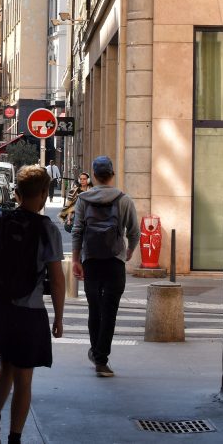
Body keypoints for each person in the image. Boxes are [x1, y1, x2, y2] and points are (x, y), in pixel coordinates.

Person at [0, 165, 65, 444]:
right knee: (24, 377)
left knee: (5, 365)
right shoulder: (47, 230)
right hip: (29, 312)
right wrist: (58, 317)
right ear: (44, 193)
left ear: (17, 193)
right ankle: (14, 438)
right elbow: (57, 281)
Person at [71, 156, 139, 378]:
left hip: (91, 261)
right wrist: (128, 251)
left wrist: (75, 259)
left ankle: (96, 352)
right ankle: (101, 359)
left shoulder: (83, 199)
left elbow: (77, 230)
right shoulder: (124, 199)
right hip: (115, 261)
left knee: (95, 309)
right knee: (110, 312)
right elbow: (134, 231)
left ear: (93, 176)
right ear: (111, 174)